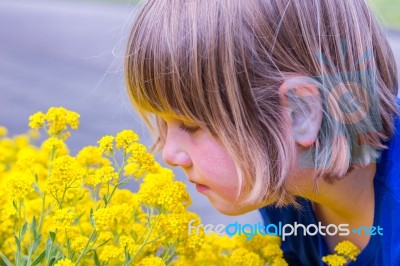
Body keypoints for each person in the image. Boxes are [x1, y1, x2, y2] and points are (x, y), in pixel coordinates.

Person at [124, 0, 400, 265]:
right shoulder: (282, 178)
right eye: (163, 122)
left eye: (191, 125)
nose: (169, 154)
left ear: (300, 113)